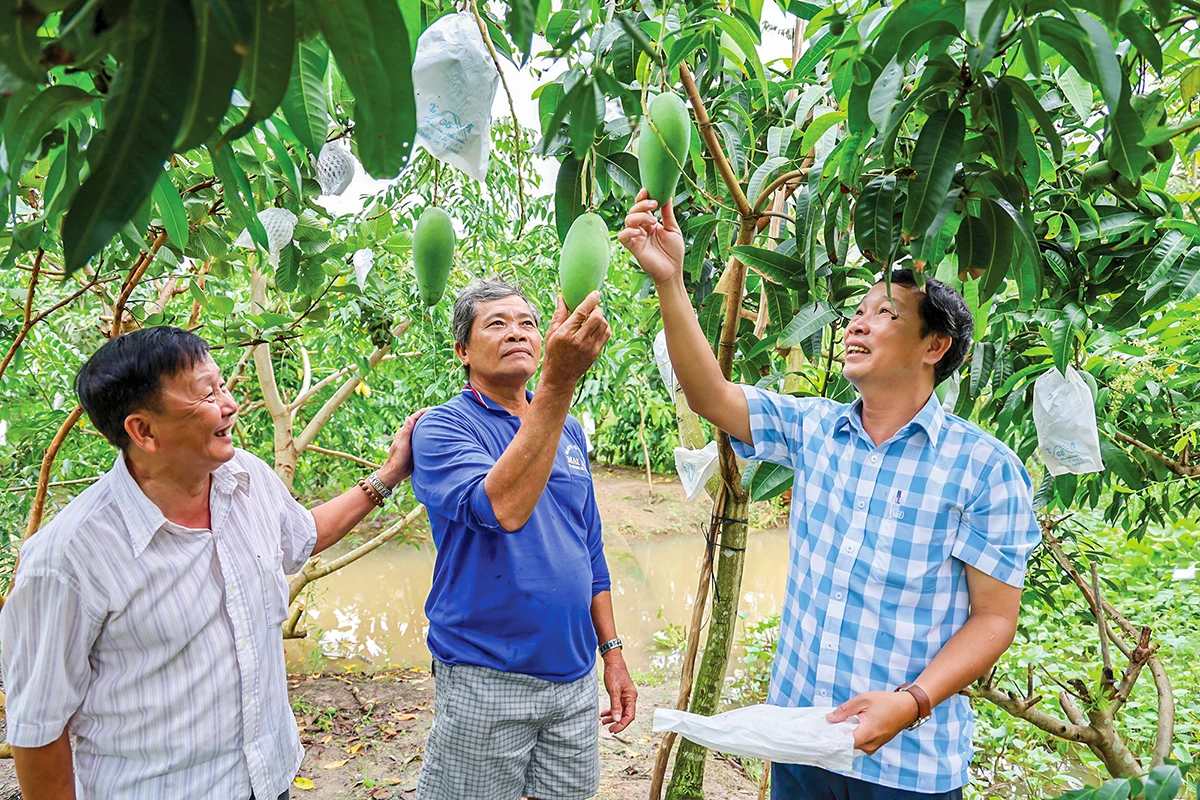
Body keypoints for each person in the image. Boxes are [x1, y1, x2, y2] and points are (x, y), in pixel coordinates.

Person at [619, 190, 1041, 799]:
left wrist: (910, 702)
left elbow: (995, 617)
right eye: (858, 310)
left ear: (934, 346)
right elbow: (710, 395)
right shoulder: (815, 430)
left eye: (885, 314)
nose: (857, 323)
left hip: (908, 764)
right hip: (801, 743)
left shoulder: (983, 469)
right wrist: (670, 281)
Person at [0, 326, 422, 800]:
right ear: (143, 430)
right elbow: (39, 729)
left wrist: (388, 476)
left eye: (222, 385)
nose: (230, 404)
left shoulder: (245, 478)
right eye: (206, 394)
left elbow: (304, 535)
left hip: (269, 780)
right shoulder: (66, 560)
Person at [410, 279, 637, 800]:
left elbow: (590, 549)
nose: (517, 333)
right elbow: (501, 509)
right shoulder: (444, 428)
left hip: (574, 681)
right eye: (497, 324)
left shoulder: (571, 429)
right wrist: (560, 383)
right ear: (462, 351)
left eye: (528, 324)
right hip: (486, 676)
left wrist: (613, 653)